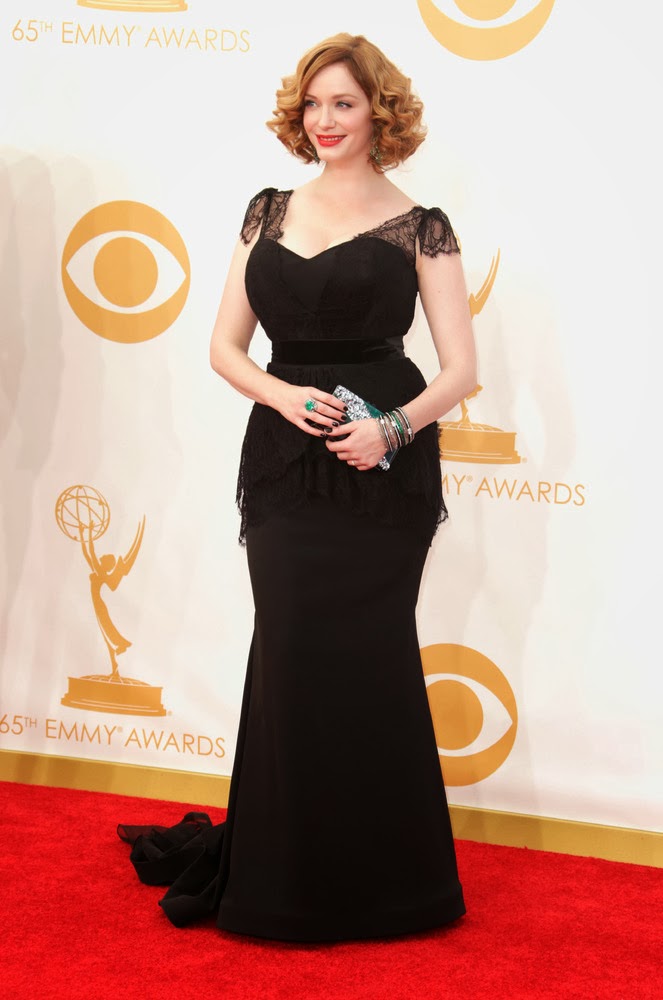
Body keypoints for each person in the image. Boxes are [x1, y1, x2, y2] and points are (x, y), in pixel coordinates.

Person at [118, 32, 477, 943]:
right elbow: (224, 346)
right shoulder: (267, 212)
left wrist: (390, 428)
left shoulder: (421, 226)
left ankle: (391, 886)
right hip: (284, 461)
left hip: (384, 468)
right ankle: (284, 879)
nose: (325, 119)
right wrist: (281, 396)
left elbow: (461, 371)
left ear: (378, 112)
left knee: (372, 660)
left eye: (343, 103)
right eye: (313, 103)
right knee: (288, 653)